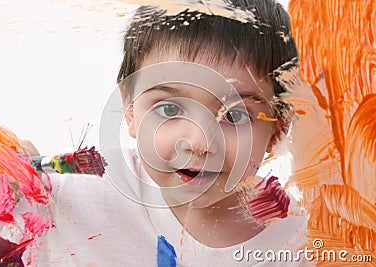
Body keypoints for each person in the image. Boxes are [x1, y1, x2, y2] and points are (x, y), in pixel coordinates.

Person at [37, 0, 308, 266]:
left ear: (278, 128)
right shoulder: (69, 196)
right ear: (131, 108)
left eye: (234, 116)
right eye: (169, 109)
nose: (198, 142)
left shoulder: (303, 242)